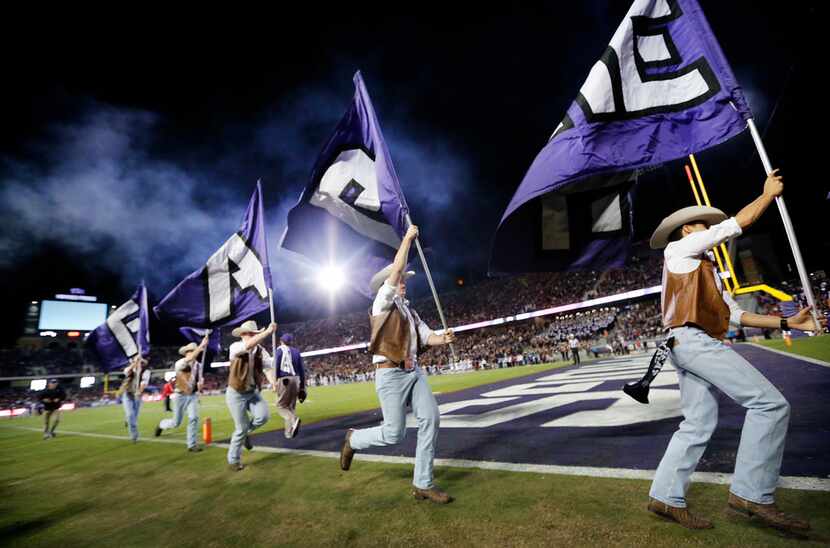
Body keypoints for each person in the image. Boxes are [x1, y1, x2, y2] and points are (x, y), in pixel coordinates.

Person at [647, 170, 821, 532]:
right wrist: (767, 196)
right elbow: (734, 225)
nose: (709, 230)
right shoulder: (678, 249)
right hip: (694, 341)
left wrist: (790, 324)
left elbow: (738, 315)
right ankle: (752, 494)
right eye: (701, 226)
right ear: (686, 231)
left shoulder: (705, 269)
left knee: (698, 422)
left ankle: (664, 495)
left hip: (684, 342)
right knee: (770, 405)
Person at [339, 224, 457, 504]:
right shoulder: (381, 302)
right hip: (390, 374)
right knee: (394, 434)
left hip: (412, 371)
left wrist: (444, 338)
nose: (404, 281)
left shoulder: (409, 311)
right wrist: (406, 239)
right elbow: (394, 273)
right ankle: (353, 440)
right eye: (400, 278)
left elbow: (427, 336)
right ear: (387, 285)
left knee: (431, 418)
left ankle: (423, 483)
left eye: (404, 278)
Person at [225, 320, 276, 471]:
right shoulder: (236, 347)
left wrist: (273, 382)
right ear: (242, 335)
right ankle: (233, 459)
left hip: (253, 391)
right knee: (240, 428)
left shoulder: (261, 351)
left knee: (263, 416)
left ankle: (246, 433)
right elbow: (247, 346)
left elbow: (267, 368)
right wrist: (267, 332)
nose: (248, 336)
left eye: (252, 333)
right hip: (236, 393)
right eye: (247, 333)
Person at [154, 333, 209, 452]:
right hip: (180, 396)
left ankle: (191, 444)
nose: (192, 354)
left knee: (194, 418)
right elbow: (188, 360)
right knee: (176, 423)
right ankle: (161, 425)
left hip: (192, 395)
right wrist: (201, 345)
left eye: (193, 351)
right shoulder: (180, 363)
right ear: (186, 353)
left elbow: (199, 381)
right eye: (190, 351)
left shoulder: (198, 366)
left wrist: (200, 385)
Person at [273, 333, 306, 439]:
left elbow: (276, 366)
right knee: (290, 407)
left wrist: (275, 381)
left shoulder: (279, 350)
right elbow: (302, 370)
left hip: (284, 379)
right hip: (296, 379)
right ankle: (289, 432)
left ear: (281, 341)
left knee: (281, 406)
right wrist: (302, 386)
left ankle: (294, 419)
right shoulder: (296, 351)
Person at [119, 355, 151, 443]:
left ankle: (128, 420)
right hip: (127, 394)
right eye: (139, 362)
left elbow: (144, 383)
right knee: (130, 415)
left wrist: (139, 392)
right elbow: (126, 372)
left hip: (137, 396)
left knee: (134, 417)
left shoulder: (146, 372)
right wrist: (134, 363)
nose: (140, 364)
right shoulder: (130, 369)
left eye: (141, 363)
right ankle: (134, 436)